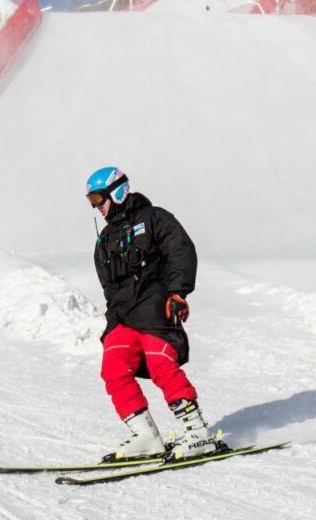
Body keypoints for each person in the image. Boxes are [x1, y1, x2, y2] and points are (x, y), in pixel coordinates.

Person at [85, 166, 218, 461]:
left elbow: (180, 251)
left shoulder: (154, 218)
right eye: (91, 202)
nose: (97, 207)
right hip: (123, 316)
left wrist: (178, 293)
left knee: (161, 364)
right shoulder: (104, 240)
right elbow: (108, 286)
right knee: (113, 368)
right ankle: (146, 436)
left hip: (156, 308)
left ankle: (197, 433)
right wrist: (111, 322)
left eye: (99, 198)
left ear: (117, 191)